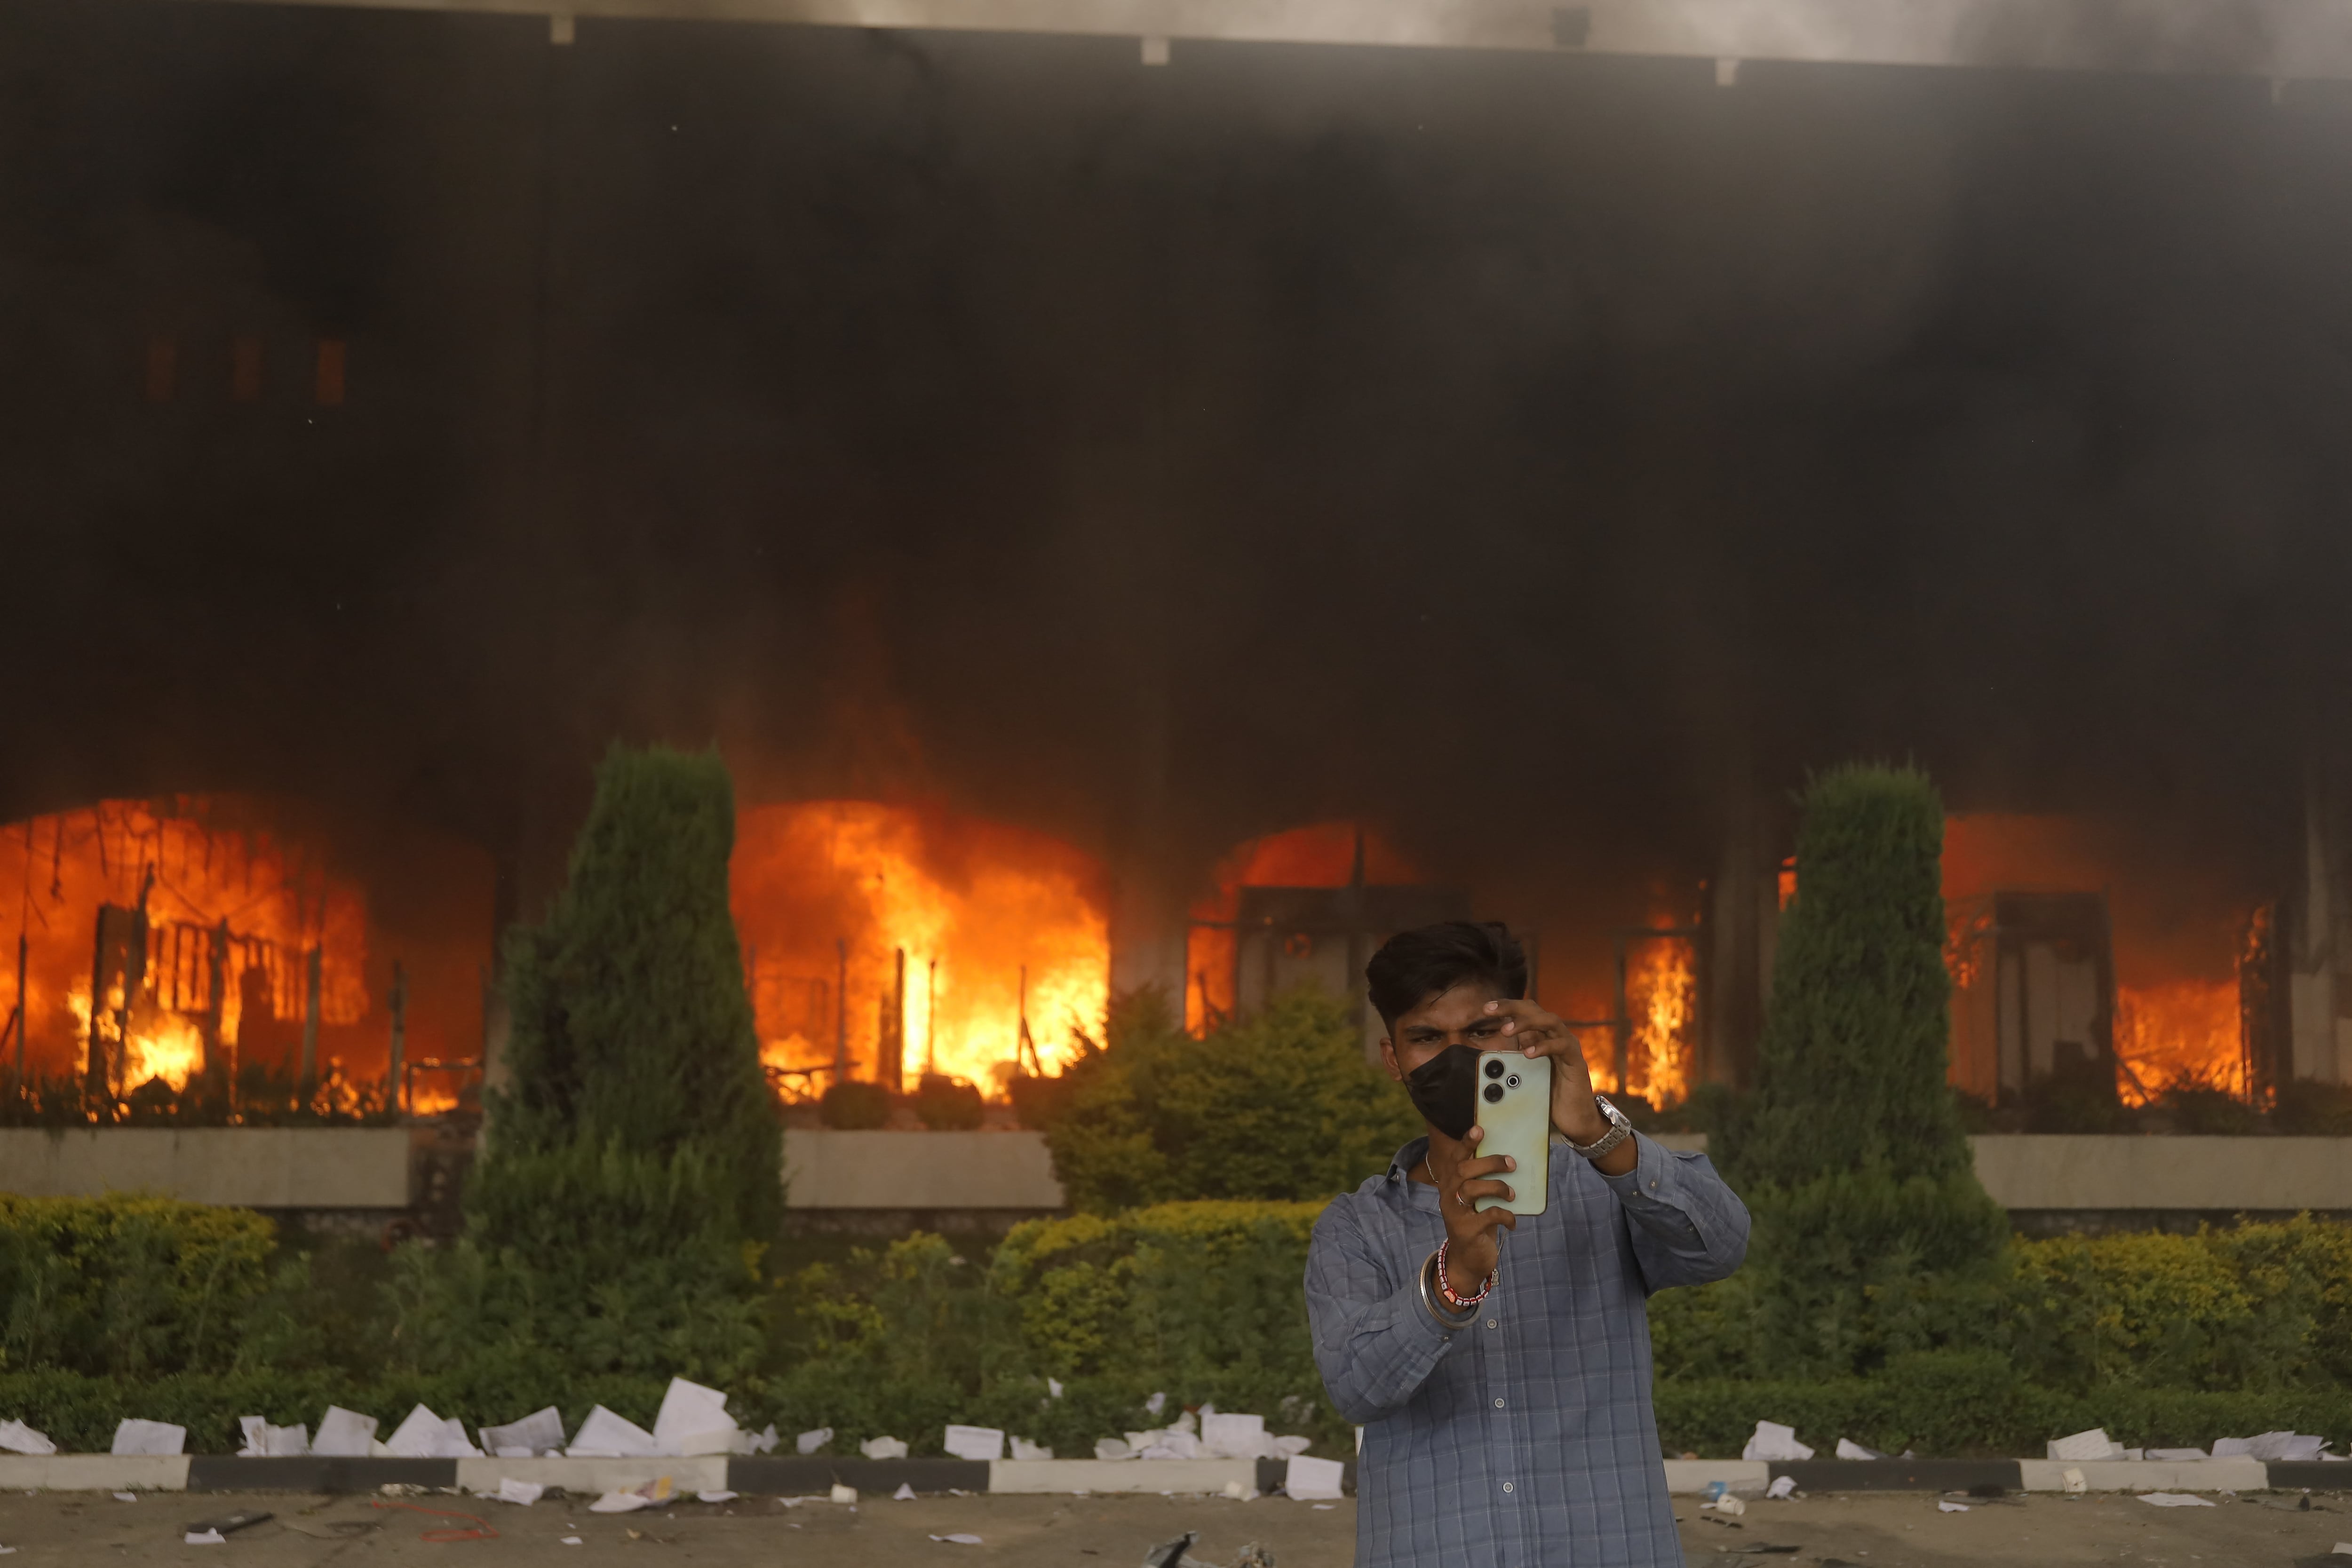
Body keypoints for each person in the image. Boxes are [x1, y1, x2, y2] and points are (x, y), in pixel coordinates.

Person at [1306, 919, 1749, 1568]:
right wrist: (1451, 1281)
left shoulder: (1603, 1187)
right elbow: (1354, 1387)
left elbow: (1721, 1245)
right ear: (1394, 1059)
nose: (1456, 1055)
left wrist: (1597, 1130)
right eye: (1428, 1037)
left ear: (1524, 1037)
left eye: (1481, 1031)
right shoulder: (1356, 1226)